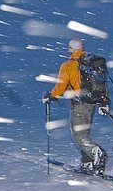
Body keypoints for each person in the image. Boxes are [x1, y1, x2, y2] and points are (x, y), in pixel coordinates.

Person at [43, 38, 108, 176]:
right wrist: (104, 101)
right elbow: (102, 83)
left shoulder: (68, 65)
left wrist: (50, 95)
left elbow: (60, 86)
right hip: (91, 103)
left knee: (78, 135)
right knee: (84, 133)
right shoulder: (91, 63)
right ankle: (87, 163)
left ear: (71, 49)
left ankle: (97, 152)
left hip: (79, 103)